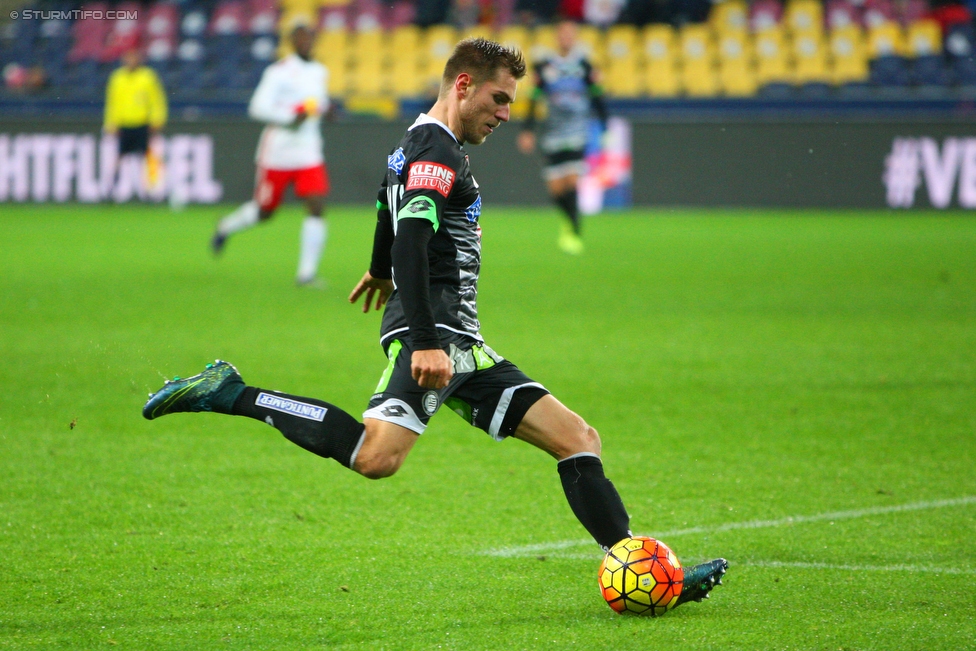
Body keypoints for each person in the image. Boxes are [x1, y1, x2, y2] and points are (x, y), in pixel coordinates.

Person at [142, 37, 726, 606]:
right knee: (376, 457)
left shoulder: (416, 145)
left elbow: (384, 200)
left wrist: (377, 269)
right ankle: (231, 392)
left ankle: (645, 570)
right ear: (463, 84)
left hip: (461, 341)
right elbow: (414, 239)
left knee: (577, 439)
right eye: (499, 99)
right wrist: (422, 336)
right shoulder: (438, 151)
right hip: (438, 337)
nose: (506, 113)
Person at [211, 24, 331, 288]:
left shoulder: (320, 71)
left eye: (309, 37)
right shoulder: (278, 72)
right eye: (300, 38)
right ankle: (226, 226)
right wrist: (290, 118)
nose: (306, 42)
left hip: (309, 150)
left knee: (316, 206)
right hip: (278, 151)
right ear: (291, 42)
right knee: (265, 211)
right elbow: (257, 108)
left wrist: (326, 110)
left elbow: (317, 103)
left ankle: (306, 274)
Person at [517, 18, 608, 255]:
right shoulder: (545, 66)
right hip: (553, 132)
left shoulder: (585, 65)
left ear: (575, 37)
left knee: (572, 180)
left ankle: (574, 229)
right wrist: (527, 130)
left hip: (578, 129)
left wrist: (605, 125)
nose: (566, 38)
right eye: (563, 34)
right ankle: (569, 220)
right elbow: (534, 100)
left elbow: (597, 96)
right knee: (555, 189)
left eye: (571, 34)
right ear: (557, 37)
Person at [103, 47, 168, 199]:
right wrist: (110, 123)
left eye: (133, 57)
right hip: (124, 125)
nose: (130, 60)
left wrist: (157, 119)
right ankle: (111, 190)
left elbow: (156, 100)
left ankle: (149, 191)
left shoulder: (148, 76)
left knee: (146, 158)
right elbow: (112, 102)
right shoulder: (117, 77)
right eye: (127, 57)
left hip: (142, 123)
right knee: (119, 157)